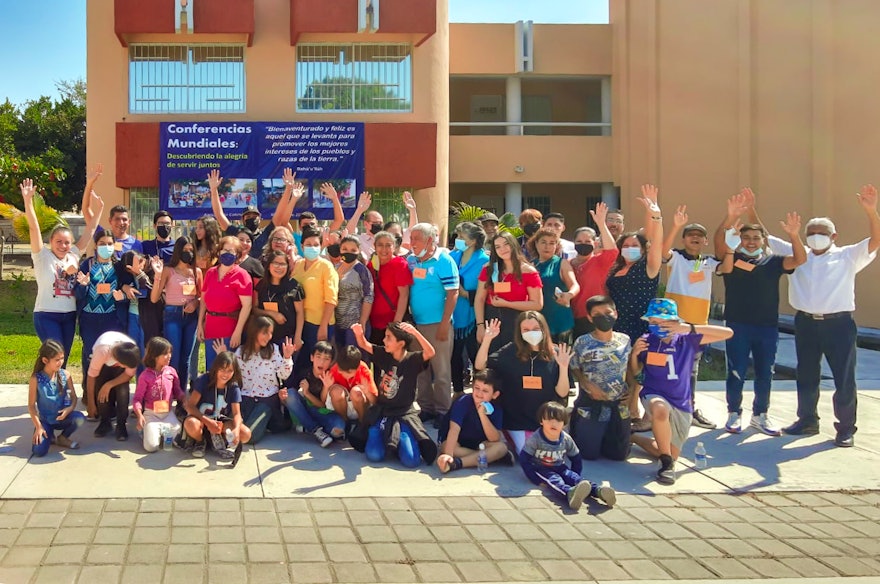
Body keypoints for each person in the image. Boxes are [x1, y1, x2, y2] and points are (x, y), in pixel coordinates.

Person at [753, 186, 879, 447]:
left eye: (822, 233)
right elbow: (764, 238)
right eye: (811, 233)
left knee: (843, 377)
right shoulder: (798, 254)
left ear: (834, 236)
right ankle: (807, 420)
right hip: (806, 322)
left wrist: (871, 211)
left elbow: (875, 240)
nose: (815, 238)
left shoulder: (847, 255)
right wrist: (750, 210)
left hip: (839, 324)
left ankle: (845, 429)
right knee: (807, 373)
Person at [715, 193, 806, 435]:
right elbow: (719, 243)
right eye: (746, 237)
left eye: (756, 237)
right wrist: (731, 217)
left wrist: (794, 235)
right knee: (736, 371)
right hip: (737, 325)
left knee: (766, 373)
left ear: (763, 239)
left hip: (766, 326)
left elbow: (800, 259)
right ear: (739, 240)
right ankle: (734, 413)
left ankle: (760, 414)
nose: (751, 241)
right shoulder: (731, 259)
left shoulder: (774, 261)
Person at [630, 299, 733, 485]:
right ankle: (666, 465)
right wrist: (634, 355)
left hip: (681, 401)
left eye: (665, 322)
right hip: (654, 394)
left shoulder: (687, 339)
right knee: (660, 410)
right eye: (654, 322)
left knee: (668, 450)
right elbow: (636, 374)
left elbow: (728, 333)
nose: (659, 326)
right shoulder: (646, 340)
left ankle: (633, 438)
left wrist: (689, 328)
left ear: (676, 322)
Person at [22, 178, 102, 365]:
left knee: (62, 358)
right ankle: (43, 388)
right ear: (51, 242)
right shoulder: (42, 256)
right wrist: (28, 201)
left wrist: (99, 210)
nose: (64, 246)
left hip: (69, 315)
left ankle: (57, 390)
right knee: (54, 356)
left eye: (67, 242)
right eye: (59, 242)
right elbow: (34, 227)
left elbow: (90, 232)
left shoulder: (73, 254)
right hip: (46, 314)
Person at [475, 312, 572, 454]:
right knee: (532, 455)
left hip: (546, 421)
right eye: (525, 330)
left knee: (554, 455)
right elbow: (480, 365)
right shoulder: (510, 351)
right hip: (517, 422)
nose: (531, 333)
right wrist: (487, 340)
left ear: (544, 329)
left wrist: (563, 368)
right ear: (519, 332)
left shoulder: (556, 353)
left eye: (535, 328)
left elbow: (562, 393)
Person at [658, 208, 720, 430]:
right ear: (684, 239)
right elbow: (662, 251)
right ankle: (665, 410)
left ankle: (690, 409)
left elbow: (728, 266)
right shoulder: (675, 257)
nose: (695, 237)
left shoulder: (709, 262)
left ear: (704, 241)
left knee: (692, 370)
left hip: (697, 326)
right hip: (673, 324)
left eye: (699, 235)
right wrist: (674, 225)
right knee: (668, 367)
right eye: (690, 234)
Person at [350, 322, 438, 467]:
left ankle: (401, 438)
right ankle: (377, 432)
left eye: (388, 337)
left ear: (401, 343)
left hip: (404, 414)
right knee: (374, 455)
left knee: (412, 461)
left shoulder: (412, 360)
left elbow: (430, 352)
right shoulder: (384, 354)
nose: (384, 340)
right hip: (383, 412)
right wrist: (358, 333)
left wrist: (415, 333)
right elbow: (364, 344)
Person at [519, 402, 616, 510]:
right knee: (555, 480)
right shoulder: (535, 439)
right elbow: (524, 458)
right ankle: (569, 493)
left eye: (558, 420)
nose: (554, 423)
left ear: (564, 423)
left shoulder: (566, 439)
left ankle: (599, 491)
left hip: (560, 466)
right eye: (549, 420)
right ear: (541, 421)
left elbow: (576, 457)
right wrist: (534, 478)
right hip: (541, 468)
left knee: (575, 478)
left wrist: (576, 474)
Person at [569, 295, 632, 461]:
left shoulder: (625, 340)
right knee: (588, 455)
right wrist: (586, 383)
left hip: (618, 405)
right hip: (591, 404)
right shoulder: (582, 342)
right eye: (597, 314)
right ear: (589, 318)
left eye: (607, 312)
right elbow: (574, 366)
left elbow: (631, 367)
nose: (603, 316)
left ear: (616, 314)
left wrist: (632, 391)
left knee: (619, 456)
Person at [407, 223, 459, 424]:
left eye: (416, 239)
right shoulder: (412, 260)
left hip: (437, 324)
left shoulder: (444, 261)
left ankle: (443, 411)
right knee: (421, 370)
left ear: (430, 240)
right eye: (411, 239)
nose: (412, 243)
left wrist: (445, 324)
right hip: (416, 325)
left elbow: (453, 293)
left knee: (441, 371)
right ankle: (426, 408)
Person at [215, 316, 295, 444]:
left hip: (267, 400)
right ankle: (237, 430)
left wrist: (287, 357)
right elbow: (231, 373)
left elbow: (283, 375)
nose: (268, 336)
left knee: (251, 436)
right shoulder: (241, 351)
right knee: (230, 421)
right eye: (264, 332)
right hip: (245, 398)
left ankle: (241, 430)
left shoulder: (273, 350)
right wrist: (223, 357)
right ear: (254, 331)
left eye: (270, 333)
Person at [76, 229, 128, 400]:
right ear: (96, 246)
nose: (106, 247)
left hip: (112, 318)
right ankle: (89, 394)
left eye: (109, 244)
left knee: (110, 356)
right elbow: (77, 293)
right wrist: (83, 286)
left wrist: (122, 297)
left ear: (114, 245)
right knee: (90, 356)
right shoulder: (87, 265)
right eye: (102, 244)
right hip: (89, 319)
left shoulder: (120, 266)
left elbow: (126, 292)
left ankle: (107, 397)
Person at [474, 232, 543, 354]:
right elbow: (479, 298)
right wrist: (480, 326)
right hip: (491, 320)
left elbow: (537, 304)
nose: (503, 249)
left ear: (513, 245)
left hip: (517, 321)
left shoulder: (528, 271)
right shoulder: (488, 269)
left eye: (506, 244)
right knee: (490, 360)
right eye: (498, 246)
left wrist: (506, 303)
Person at [150, 237, 201, 393]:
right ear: (178, 251)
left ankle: (181, 394)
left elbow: (201, 295)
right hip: (172, 315)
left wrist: (195, 302)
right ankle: (169, 392)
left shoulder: (196, 271)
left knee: (186, 358)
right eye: (185, 250)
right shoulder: (169, 270)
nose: (189, 253)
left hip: (190, 317)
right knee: (174, 357)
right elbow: (154, 298)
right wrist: (158, 276)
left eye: (191, 250)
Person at [436, 369, 510, 473]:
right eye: (477, 388)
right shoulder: (463, 402)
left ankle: (458, 463)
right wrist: (448, 456)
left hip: (480, 443)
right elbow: (454, 430)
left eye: (485, 391)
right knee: (447, 447)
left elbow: (494, 438)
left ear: (495, 394)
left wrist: (482, 414)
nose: (479, 393)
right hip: (458, 442)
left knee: (501, 448)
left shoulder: (496, 408)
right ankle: (490, 457)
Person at [198, 236, 253, 370]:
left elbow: (247, 305)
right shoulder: (211, 272)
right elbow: (203, 300)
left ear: (237, 254)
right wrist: (200, 324)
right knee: (211, 369)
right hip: (210, 327)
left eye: (232, 251)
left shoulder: (242, 275)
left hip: (230, 329)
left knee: (227, 369)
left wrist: (238, 331)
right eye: (225, 250)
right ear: (219, 251)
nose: (227, 253)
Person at [185, 352, 251, 461]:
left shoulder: (233, 386)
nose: (225, 374)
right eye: (222, 369)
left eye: (230, 370)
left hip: (219, 423)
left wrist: (236, 429)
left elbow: (237, 413)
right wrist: (207, 421)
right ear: (216, 368)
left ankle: (222, 441)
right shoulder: (204, 380)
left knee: (245, 434)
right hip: (202, 420)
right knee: (191, 423)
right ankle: (200, 441)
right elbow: (190, 406)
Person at [449, 222, 490, 394]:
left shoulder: (485, 260)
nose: (457, 240)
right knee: (454, 356)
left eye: (461, 237)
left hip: (475, 317)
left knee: (476, 357)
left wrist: (464, 293)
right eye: (457, 236)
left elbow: (487, 291)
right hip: (453, 314)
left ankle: (481, 393)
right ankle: (458, 392)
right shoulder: (453, 256)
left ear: (473, 241)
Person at [292, 228, 339, 375]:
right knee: (302, 363)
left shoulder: (326, 266)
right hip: (301, 322)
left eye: (315, 244)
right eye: (308, 244)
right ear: (302, 245)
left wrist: (323, 325)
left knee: (320, 365)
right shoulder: (298, 266)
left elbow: (331, 299)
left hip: (320, 324)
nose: (312, 247)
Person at [281, 341, 346, 447]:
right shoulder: (304, 373)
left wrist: (324, 387)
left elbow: (322, 405)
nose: (321, 362)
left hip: (324, 412)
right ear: (312, 358)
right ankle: (316, 430)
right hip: (306, 409)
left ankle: (309, 426)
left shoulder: (331, 377)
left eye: (326, 359)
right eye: (318, 357)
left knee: (338, 430)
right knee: (289, 394)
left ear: (330, 362)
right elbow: (291, 396)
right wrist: (282, 396)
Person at [28, 340, 85, 457]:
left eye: (62, 358)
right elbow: (31, 405)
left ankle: (63, 438)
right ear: (45, 360)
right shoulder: (36, 379)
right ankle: (50, 436)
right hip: (46, 421)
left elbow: (74, 397)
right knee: (39, 452)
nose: (60, 362)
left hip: (63, 418)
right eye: (57, 360)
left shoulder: (66, 375)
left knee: (79, 418)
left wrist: (69, 409)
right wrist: (38, 427)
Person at [570, 203, 618, 338]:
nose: (583, 243)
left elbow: (612, 251)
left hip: (596, 317)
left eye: (587, 241)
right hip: (572, 319)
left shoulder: (599, 261)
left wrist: (601, 224)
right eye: (579, 241)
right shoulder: (567, 265)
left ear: (595, 243)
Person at [252, 250, 305, 365]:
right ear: (269, 265)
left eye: (282, 264)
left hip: (287, 338)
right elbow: (255, 309)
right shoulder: (261, 285)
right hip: (265, 338)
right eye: (275, 263)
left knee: (287, 372)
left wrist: (298, 337)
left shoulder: (293, 285)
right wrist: (272, 314)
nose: (279, 267)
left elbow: (300, 312)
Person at [527, 227, 579, 344]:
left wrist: (569, 295)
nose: (547, 246)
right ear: (536, 244)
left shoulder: (562, 263)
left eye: (552, 243)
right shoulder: (531, 265)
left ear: (556, 246)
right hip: (538, 321)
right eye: (543, 242)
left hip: (560, 322)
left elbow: (575, 285)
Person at [132, 337, 185, 453]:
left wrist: (185, 399)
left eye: (170, 352)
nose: (169, 356)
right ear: (154, 355)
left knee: (180, 436)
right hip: (151, 415)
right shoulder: (145, 376)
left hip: (168, 413)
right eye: (165, 354)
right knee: (152, 447)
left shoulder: (171, 372)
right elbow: (137, 399)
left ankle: (160, 431)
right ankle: (150, 430)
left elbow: (177, 391)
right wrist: (140, 415)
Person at [87, 331, 141, 440]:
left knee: (123, 390)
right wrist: (91, 403)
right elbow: (91, 377)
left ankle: (121, 425)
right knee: (100, 388)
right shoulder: (102, 351)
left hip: (119, 368)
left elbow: (128, 375)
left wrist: (110, 384)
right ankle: (105, 422)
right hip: (103, 364)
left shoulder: (132, 353)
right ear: (117, 362)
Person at [367, 231, 413, 345]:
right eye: (380, 245)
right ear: (374, 246)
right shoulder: (371, 265)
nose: (384, 249)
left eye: (388, 245)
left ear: (394, 246)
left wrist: (395, 325)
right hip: (373, 323)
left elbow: (404, 295)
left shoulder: (400, 264)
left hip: (391, 322)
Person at [139, 210, 175, 345]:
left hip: (171, 298)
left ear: (172, 225)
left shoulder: (177, 247)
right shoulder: (145, 246)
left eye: (167, 224)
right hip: (150, 300)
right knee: (152, 340)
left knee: (170, 338)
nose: (164, 227)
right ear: (154, 226)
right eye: (160, 223)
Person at [334, 235, 374, 349]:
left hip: (355, 323)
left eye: (353, 250)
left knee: (353, 358)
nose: (348, 252)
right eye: (345, 249)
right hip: (337, 322)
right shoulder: (334, 268)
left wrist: (362, 321)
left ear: (358, 251)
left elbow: (368, 296)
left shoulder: (361, 270)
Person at [346, 191, 385, 259]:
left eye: (381, 223)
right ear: (366, 224)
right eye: (376, 223)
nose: (379, 225)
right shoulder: (360, 240)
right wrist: (359, 210)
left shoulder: (386, 239)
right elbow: (348, 232)